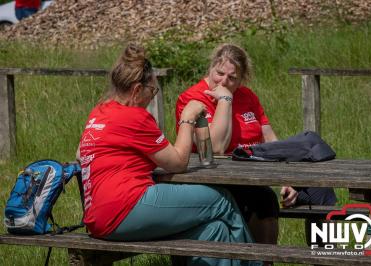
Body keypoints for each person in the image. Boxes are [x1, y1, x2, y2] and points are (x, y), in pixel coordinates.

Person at [77, 43, 262, 266]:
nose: (151, 97)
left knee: (213, 230)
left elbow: (81, 153)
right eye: (152, 91)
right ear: (136, 91)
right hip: (125, 207)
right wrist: (187, 117)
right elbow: (178, 162)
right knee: (222, 201)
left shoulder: (99, 112)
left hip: (98, 215)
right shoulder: (134, 116)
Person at [175, 43, 336, 249]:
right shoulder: (192, 98)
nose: (224, 81)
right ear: (210, 68)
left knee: (320, 189)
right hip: (219, 179)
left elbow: (271, 141)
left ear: (242, 79)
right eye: (219, 73)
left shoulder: (248, 96)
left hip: (259, 173)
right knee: (263, 198)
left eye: (232, 78)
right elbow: (216, 148)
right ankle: (264, 261)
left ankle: (328, 257)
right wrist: (225, 99)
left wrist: (289, 180)